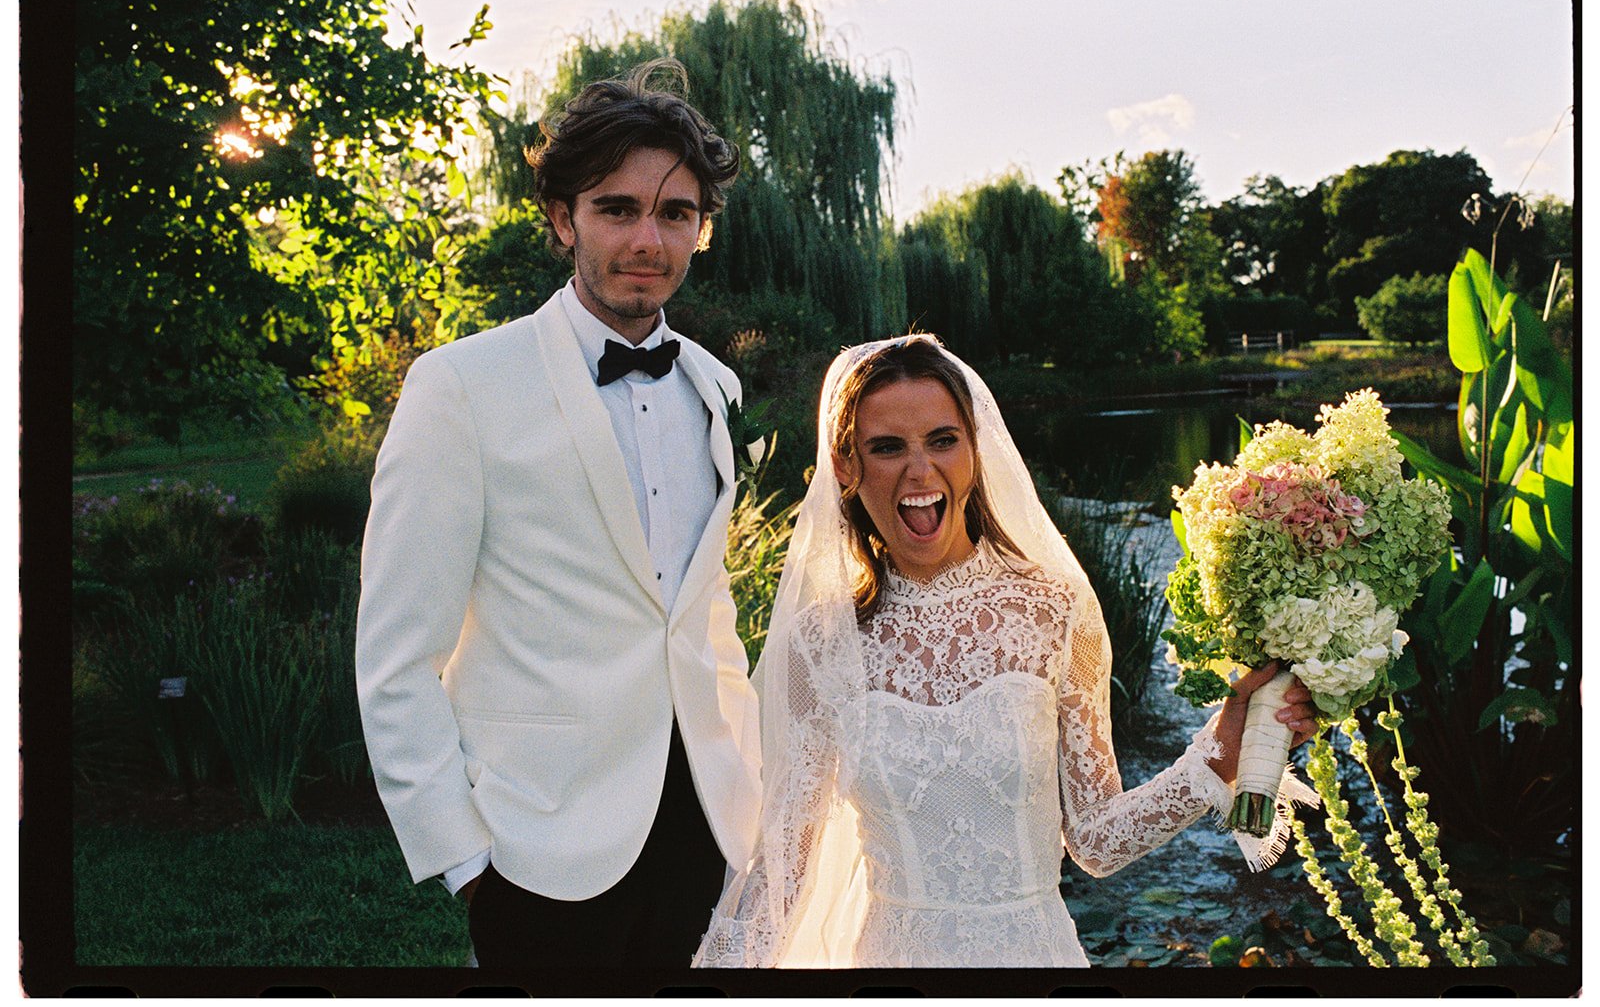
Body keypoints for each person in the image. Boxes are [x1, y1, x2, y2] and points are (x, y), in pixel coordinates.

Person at [693, 335, 1316, 968]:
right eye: (887, 447)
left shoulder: (1053, 609)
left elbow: (1097, 839)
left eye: (942, 440)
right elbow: (783, 869)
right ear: (848, 467)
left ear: (975, 451)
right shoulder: (819, 643)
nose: (920, 471)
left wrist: (1219, 753)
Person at [355, 58, 762, 969]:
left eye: (675, 213)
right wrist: (465, 860)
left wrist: (756, 789)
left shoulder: (712, 386)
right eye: (617, 208)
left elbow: (704, 620)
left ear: (702, 228)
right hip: (538, 856)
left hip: (709, 830)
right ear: (561, 216)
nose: (647, 239)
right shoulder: (459, 387)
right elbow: (395, 658)